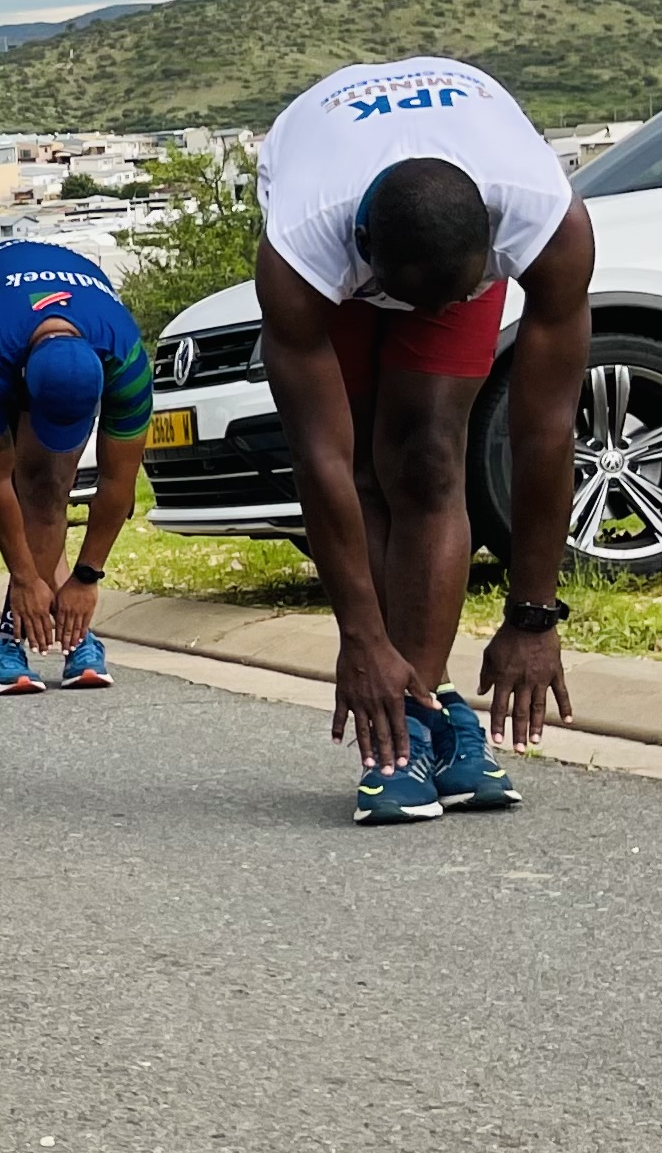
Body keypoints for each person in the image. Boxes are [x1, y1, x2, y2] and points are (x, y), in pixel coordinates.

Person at [255, 56, 597, 824]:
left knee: (427, 458)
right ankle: (406, 713)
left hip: (435, 244)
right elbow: (320, 461)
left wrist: (533, 617)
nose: (423, 313)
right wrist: (359, 640)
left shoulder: (545, 219)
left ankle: (423, 710)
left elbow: (544, 431)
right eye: (408, 300)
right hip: (346, 239)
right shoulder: (301, 247)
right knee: (369, 472)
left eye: (469, 288)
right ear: (365, 248)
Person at [0, 240, 155, 694]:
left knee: (47, 486)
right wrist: (23, 577)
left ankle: (64, 633)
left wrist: (88, 576)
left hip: (73, 303)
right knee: (27, 481)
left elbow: (119, 480)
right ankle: (12, 638)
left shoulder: (127, 358)